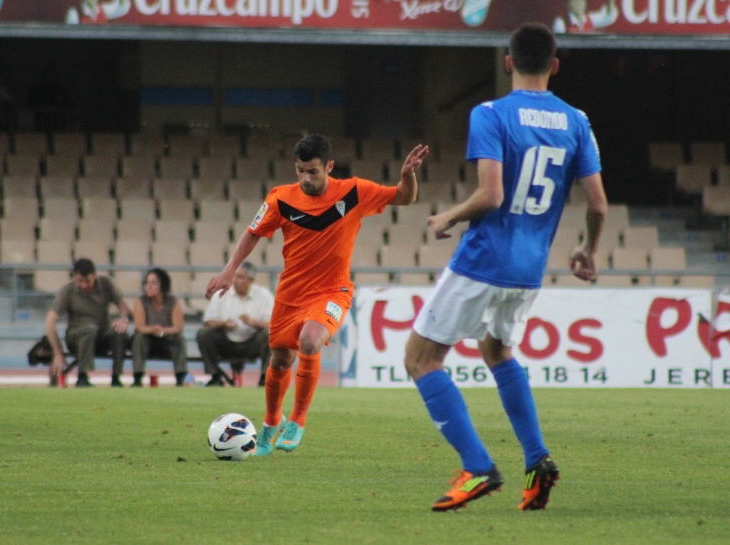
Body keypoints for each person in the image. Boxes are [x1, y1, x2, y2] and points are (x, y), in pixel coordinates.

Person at [404, 23, 608, 512]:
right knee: (496, 350)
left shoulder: (491, 113)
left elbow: (492, 194)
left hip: (484, 260)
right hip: (529, 269)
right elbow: (598, 205)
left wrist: (450, 216)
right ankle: (537, 461)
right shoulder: (577, 120)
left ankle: (477, 467)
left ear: (508, 61)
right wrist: (588, 249)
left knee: (420, 359)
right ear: (554, 65)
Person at [206, 135, 429, 456]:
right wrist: (230, 270)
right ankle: (272, 421)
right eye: (300, 171)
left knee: (310, 342)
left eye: (313, 171)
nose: (306, 179)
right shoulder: (281, 198)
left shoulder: (354, 192)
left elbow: (404, 197)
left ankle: (298, 420)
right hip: (290, 293)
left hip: (333, 291)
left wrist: (407, 176)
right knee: (280, 359)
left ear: (329, 167)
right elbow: (252, 233)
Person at [46, 258, 132, 387]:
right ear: (74, 277)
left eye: (88, 281)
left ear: (95, 275)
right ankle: (82, 376)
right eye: (80, 281)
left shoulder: (106, 284)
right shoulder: (67, 291)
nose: (84, 285)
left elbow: (124, 307)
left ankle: (116, 377)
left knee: (120, 332)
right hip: (77, 337)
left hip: (101, 335)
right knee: (90, 329)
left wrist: (123, 319)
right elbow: (50, 322)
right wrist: (58, 353)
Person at [197, 262, 274, 387]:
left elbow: (273, 324)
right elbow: (208, 320)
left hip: (252, 342)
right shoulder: (222, 293)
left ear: (251, 280)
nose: (235, 280)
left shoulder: (264, 296)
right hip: (226, 342)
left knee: (269, 335)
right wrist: (224, 324)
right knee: (203, 333)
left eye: (240, 277)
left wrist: (253, 322)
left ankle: (265, 378)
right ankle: (215, 376)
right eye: (234, 276)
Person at [131, 268, 189, 387]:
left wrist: (163, 331)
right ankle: (137, 378)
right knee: (139, 338)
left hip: (166, 340)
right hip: (148, 341)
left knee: (179, 339)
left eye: (153, 283)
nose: (149, 286)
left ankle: (180, 377)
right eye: (147, 283)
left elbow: (178, 327)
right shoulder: (141, 301)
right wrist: (153, 329)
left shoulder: (172, 301)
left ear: (162, 285)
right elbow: (140, 327)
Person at [553, 0, 618, 33]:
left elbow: (609, 17)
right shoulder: (561, 22)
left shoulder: (590, 18)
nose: (579, 4)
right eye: (575, 1)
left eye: (582, 1)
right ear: (568, 3)